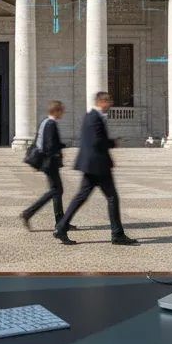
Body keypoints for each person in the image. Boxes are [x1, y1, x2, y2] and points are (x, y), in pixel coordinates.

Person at [54, 91, 139, 246]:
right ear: (101, 101)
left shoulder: (91, 116)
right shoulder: (94, 117)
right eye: (108, 101)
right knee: (112, 198)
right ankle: (117, 234)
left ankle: (61, 227)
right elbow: (97, 141)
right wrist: (113, 143)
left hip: (91, 164)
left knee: (81, 197)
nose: (110, 104)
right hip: (98, 165)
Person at [19, 101, 77, 231]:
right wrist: (58, 152)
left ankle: (61, 222)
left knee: (57, 191)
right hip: (50, 163)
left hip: (48, 163)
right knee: (55, 190)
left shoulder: (45, 122)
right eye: (61, 110)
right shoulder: (51, 124)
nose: (62, 113)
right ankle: (28, 213)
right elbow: (49, 145)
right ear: (56, 111)